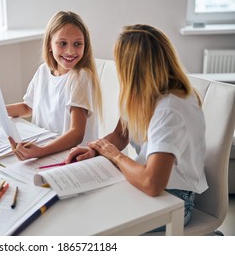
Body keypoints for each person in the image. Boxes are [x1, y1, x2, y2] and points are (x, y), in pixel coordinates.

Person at [65, 24, 208, 227]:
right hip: (146, 182)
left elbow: (152, 184)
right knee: (80, 205)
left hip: (175, 199)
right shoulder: (141, 93)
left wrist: (115, 155)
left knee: (91, 220)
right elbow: (121, 135)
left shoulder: (170, 108)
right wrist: (94, 150)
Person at [6, 11, 103, 161]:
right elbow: (27, 107)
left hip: (70, 158)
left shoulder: (80, 77)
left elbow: (77, 133)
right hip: (46, 153)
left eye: (77, 44)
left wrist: (41, 151)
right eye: (62, 43)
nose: (70, 51)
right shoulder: (43, 71)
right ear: (50, 44)